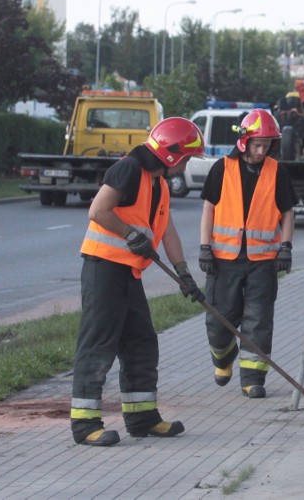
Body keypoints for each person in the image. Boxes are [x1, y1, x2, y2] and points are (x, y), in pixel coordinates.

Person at [71, 117, 205, 446]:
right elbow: (98, 210)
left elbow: (167, 229)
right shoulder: (129, 169)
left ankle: (142, 418)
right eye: (187, 158)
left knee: (141, 343)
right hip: (103, 269)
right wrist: (130, 234)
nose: (187, 165)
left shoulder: (157, 182)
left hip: (129, 272)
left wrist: (184, 273)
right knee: (98, 344)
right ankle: (85, 424)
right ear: (173, 154)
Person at [199, 109, 296, 399]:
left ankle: (253, 379)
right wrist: (205, 247)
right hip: (223, 260)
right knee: (218, 320)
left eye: (267, 145)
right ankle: (223, 356)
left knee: (258, 320)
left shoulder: (277, 172)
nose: (262, 150)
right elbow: (209, 209)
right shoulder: (222, 168)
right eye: (257, 144)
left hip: (263, 262)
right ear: (244, 141)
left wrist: (286, 246)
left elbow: (288, 211)